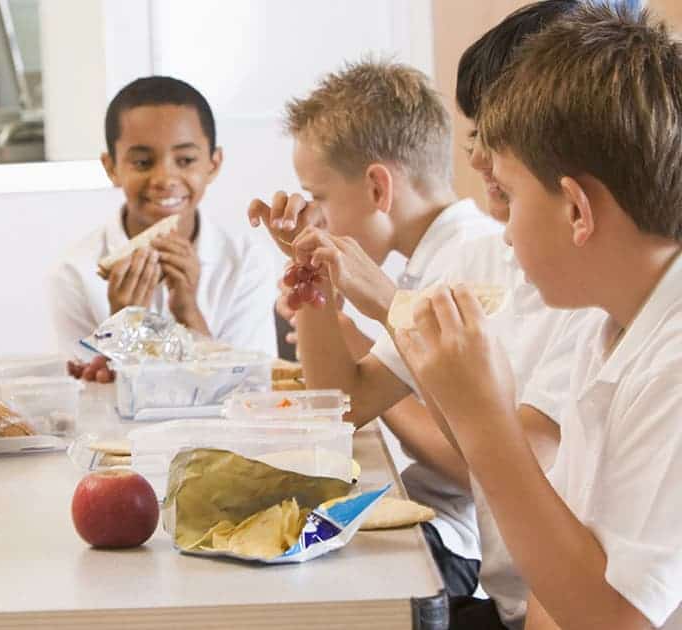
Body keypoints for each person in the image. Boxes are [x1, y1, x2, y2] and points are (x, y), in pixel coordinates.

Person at [396, 5, 682, 628]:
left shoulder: (674, 364)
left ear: (577, 210)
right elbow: (555, 580)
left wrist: (483, 420)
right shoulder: (611, 328)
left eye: (513, 194)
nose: (504, 234)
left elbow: (615, 620)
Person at [249, 58, 501, 601]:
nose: (314, 214)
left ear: (377, 187)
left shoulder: (470, 259)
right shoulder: (430, 259)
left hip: (460, 546)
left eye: (318, 196)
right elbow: (344, 401)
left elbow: (469, 466)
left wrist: (390, 319)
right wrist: (311, 277)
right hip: (431, 519)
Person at [50, 76, 276, 382]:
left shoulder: (247, 261)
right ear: (111, 168)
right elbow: (85, 404)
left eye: (185, 160)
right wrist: (124, 328)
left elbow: (253, 392)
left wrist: (189, 313)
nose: (165, 178)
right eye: (143, 163)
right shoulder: (76, 272)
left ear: (213, 163)